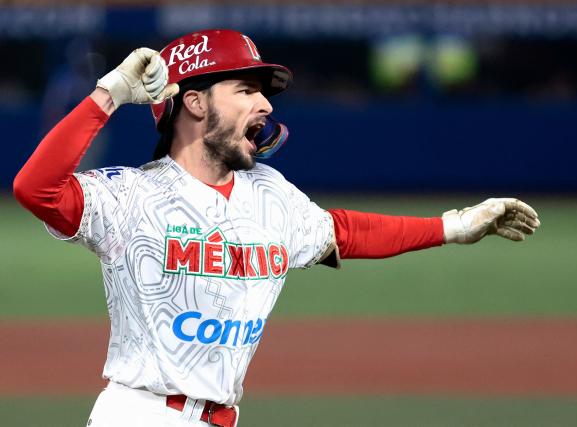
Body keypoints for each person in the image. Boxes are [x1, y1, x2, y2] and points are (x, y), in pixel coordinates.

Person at [13, 29, 540, 427]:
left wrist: (453, 225)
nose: (265, 103)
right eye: (244, 89)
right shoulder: (132, 196)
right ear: (194, 102)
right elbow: (36, 189)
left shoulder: (270, 194)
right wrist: (108, 94)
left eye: (263, 93)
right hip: (142, 415)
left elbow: (345, 232)